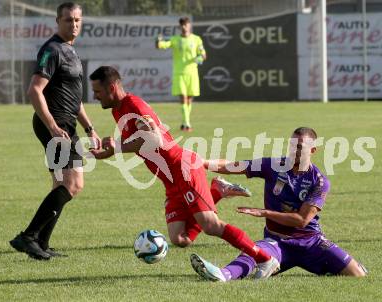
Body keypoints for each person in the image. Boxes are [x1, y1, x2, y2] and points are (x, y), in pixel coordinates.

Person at [88, 66, 279, 279]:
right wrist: (109, 152)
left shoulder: (134, 106)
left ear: (112, 87)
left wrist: (118, 146)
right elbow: (138, 143)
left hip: (183, 169)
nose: (95, 97)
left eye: (97, 92)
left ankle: (265, 259)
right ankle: (216, 191)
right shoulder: (118, 109)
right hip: (170, 180)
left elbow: (155, 140)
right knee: (180, 239)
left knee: (211, 226)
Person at [190, 127, 367, 281]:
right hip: (277, 241)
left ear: (313, 150)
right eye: (291, 145)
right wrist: (201, 163)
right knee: (253, 253)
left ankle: (324, 267)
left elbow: (301, 220)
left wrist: (265, 213)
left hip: (310, 242)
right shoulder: (274, 165)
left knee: (357, 274)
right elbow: (234, 165)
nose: (293, 150)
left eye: (299, 147)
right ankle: (223, 274)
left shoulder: (319, 182)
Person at [9, 2, 101, 260]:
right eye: (69, 20)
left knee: (61, 184)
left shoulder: (71, 52)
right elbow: (34, 90)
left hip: (66, 124)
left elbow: (76, 100)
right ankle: (27, 236)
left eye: (78, 20)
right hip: (55, 125)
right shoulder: (51, 50)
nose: (74, 24)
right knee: (74, 184)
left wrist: (90, 128)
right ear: (58, 22)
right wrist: (52, 125)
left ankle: (40, 242)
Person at [156, 17, 206, 132]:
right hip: (179, 73)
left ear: (189, 26)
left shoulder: (196, 39)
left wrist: (199, 57)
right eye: (182, 25)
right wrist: (158, 41)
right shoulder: (175, 39)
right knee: (183, 98)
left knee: (189, 99)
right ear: (180, 27)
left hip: (192, 73)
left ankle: (185, 122)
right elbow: (162, 45)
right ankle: (187, 123)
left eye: (186, 24)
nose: (184, 27)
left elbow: (203, 54)